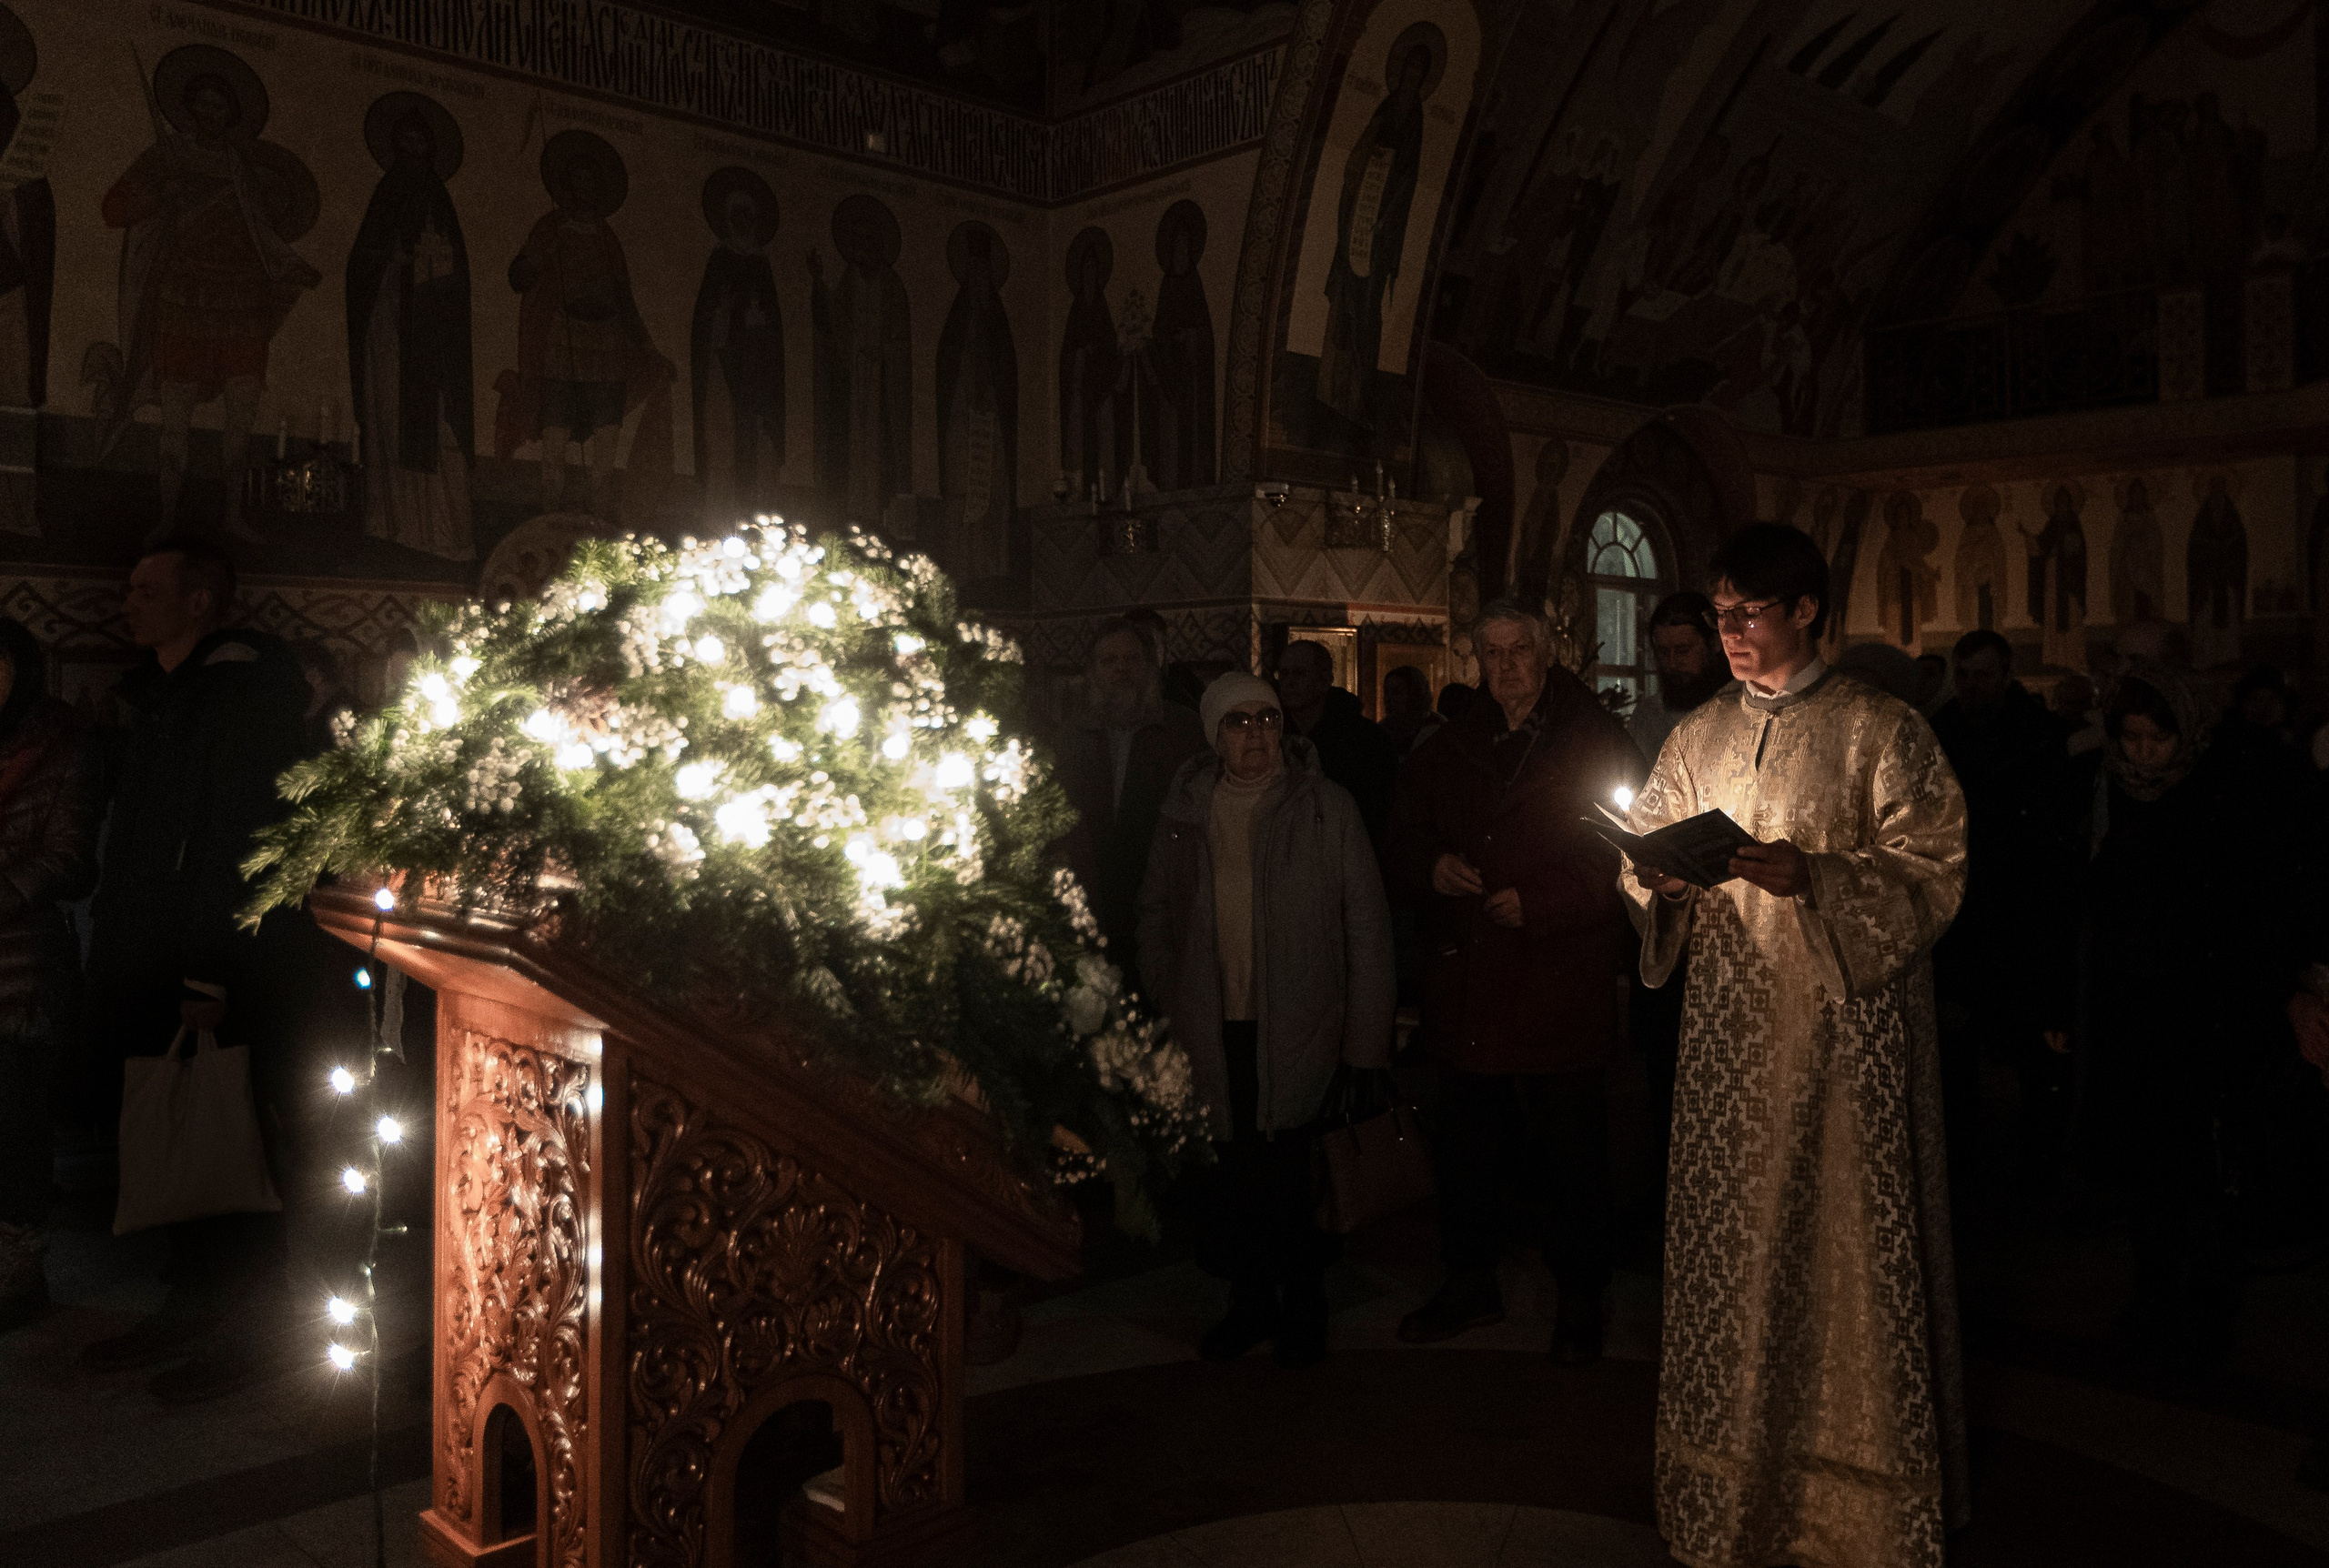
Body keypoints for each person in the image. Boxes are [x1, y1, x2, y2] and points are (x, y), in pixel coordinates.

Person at [1619, 523, 1970, 1568]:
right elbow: (1644, 841)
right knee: (1732, 1254)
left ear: (1805, 609)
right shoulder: (1696, 734)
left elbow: (1932, 869)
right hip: (1726, 1045)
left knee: (1837, 1250)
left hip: (1838, 1044)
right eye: (1717, 612)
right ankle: (1727, 1488)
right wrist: (1659, 881)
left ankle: (1848, 1505)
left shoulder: (1882, 730)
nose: (1726, 631)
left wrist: (1813, 873)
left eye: (1747, 612)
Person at [78, 538, 320, 1401]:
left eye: (147, 588)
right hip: (153, 946)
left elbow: (234, 841)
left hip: (213, 955)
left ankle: (257, 1324)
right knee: (174, 1130)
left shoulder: (240, 698)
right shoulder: (164, 699)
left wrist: (209, 971)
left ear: (199, 605)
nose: (127, 599)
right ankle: (193, 1299)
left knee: (229, 1135)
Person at [1389, 600, 1643, 1362]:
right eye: (1491, 653)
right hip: (1471, 981)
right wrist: (1433, 866)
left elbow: (1629, 852)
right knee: (1468, 1143)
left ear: (1548, 652)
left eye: (1519, 651)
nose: (1505, 667)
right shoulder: (1453, 742)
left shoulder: (1594, 738)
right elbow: (1403, 831)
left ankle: (1579, 1293)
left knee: (1571, 1146)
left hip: (1555, 973)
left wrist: (1543, 901)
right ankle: (1470, 1279)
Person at [2054, 659, 2311, 1368]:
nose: (2143, 754)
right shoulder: (2107, 794)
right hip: (2129, 1014)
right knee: (2143, 1166)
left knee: (2200, 1168)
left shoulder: (2220, 799)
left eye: (2155, 740)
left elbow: (2243, 914)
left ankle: (2207, 1303)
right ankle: (2154, 1292)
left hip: (2201, 1017)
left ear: (2184, 734)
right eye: (2131, 738)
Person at [1136, 672, 1394, 1368]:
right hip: (1215, 1026)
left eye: (1268, 719)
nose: (1256, 734)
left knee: (1292, 1175)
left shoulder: (1324, 807)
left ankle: (1304, 1304)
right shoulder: (1186, 812)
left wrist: (1365, 1041)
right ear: (1215, 734)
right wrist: (1168, 989)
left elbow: (1365, 922)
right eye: (1240, 721)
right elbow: (1156, 909)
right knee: (1232, 1174)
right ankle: (1248, 1304)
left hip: (1301, 1025)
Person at [1928, 630, 2068, 1207]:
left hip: (2020, 915)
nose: (1971, 687)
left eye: (1983, 676)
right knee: (1955, 1058)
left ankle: (2039, 1180)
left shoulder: (2037, 738)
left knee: (2033, 1057)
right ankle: (1959, 1178)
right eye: (1964, 676)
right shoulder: (1942, 731)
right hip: (1961, 916)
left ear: (2006, 676)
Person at [0, 618, 100, 1331]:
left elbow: (70, 855)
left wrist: (7, 892)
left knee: (16, 1127)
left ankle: (18, 1273)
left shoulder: (56, 749)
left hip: (19, 969)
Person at [1052, 618, 1206, 979]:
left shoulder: (1185, 731)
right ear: (1092, 672)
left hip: (1164, 903)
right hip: (1091, 895)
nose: (1120, 669)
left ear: (1150, 667)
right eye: (1108, 661)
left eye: (1131, 659)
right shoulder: (1071, 737)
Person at [1274, 638, 1399, 849]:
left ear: (1325, 680)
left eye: (1299, 673)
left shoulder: (1366, 740)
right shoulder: (1273, 736)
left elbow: (1381, 813)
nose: (1289, 682)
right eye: (1283, 674)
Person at [1627, 592, 1727, 763]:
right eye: (1664, 652)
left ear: (1715, 643)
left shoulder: (1741, 708)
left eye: (1683, 651)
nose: (1672, 664)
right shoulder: (1647, 718)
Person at [1377, 663, 1442, 756]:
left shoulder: (1434, 730)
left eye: (1396, 692)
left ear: (1414, 694)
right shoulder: (1384, 729)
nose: (1388, 698)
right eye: (1386, 692)